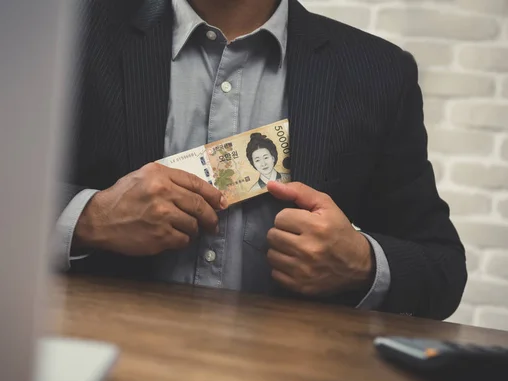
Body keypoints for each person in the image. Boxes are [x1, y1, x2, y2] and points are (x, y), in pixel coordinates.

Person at [56, 0, 467, 320]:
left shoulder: (379, 74)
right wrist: (90, 217)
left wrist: (361, 263)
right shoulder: (66, 31)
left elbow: (443, 268)